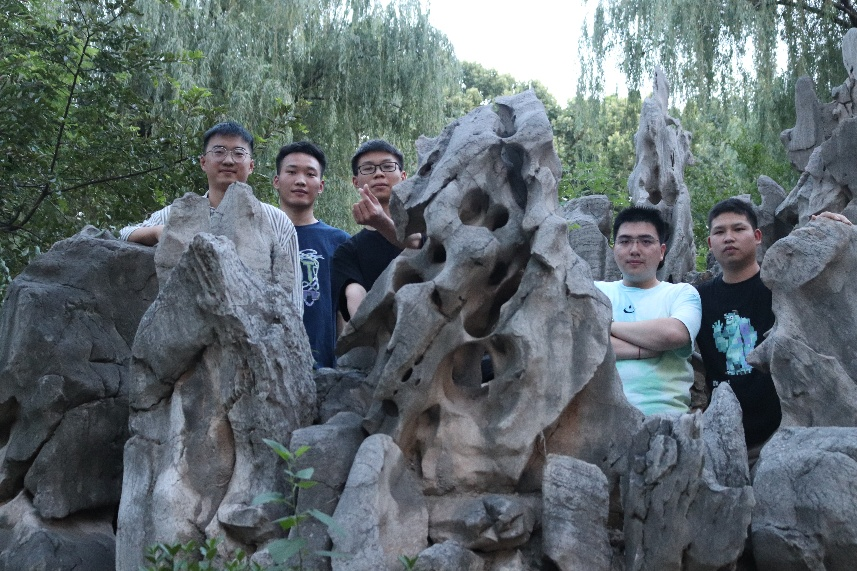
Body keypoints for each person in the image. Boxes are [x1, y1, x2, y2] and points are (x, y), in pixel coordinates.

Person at [696, 198, 851, 461]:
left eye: (738, 229)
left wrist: (838, 228)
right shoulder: (697, 299)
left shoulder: (782, 286)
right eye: (719, 232)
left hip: (789, 435)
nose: (729, 237)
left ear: (757, 236)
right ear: (710, 243)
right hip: (725, 442)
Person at [119, 121, 302, 313]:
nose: (228, 161)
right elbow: (125, 234)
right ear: (203, 162)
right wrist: (159, 232)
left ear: (251, 166)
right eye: (219, 151)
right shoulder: (182, 213)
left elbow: (294, 297)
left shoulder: (276, 220)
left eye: (239, 153)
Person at [595, 206, 702, 415]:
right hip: (600, 418)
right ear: (614, 249)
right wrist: (644, 350)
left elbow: (674, 334)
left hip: (665, 418)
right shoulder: (595, 291)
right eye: (625, 241)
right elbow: (582, 341)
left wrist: (608, 325)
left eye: (645, 241)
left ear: (662, 251)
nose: (634, 250)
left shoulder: (681, 293)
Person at [273, 141, 349, 368]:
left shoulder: (339, 242)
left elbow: (342, 313)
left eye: (310, 174)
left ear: (321, 185)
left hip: (323, 368)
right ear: (276, 181)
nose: (300, 180)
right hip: (268, 363)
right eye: (291, 172)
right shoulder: (260, 234)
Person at [330, 139, 421, 324]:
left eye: (387, 166)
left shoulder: (427, 226)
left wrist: (381, 222)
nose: (379, 173)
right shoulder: (348, 252)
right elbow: (356, 302)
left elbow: (418, 243)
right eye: (368, 168)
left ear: (403, 176)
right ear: (355, 181)